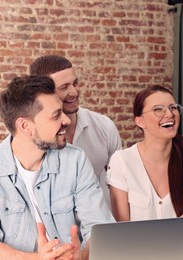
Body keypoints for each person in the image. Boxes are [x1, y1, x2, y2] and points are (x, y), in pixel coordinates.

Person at [0, 75, 114, 260]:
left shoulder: (75, 159)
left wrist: (83, 255)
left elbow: (99, 226)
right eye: (56, 115)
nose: (66, 120)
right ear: (25, 126)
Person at [106, 85, 183, 221]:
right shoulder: (121, 161)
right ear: (140, 121)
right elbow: (121, 228)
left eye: (173, 107)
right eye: (158, 109)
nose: (169, 114)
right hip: (135, 243)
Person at [29, 55, 122, 206]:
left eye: (75, 83)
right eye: (64, 87)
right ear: (43, 93)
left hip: (99, 223)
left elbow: (119, 183)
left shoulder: (104, 126)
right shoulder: (31, 137)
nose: (74, 92)